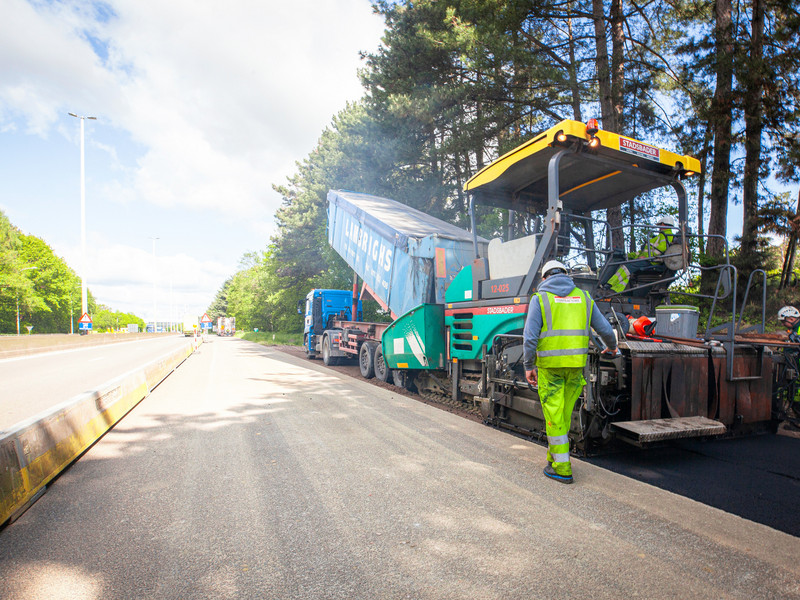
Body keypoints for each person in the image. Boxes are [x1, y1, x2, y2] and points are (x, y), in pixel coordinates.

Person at [523, 260, 619, 484]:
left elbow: (530, 338)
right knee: (563, 414)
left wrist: (529, 366)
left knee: (555, 415)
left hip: (550, 369)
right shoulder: (584, 298)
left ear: (544, 278)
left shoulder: (540, 299)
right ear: (566, 275)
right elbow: (604, 328)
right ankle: (553, 458)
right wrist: (612, 347)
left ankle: (563, 468)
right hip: (576, 367)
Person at [604, 215, 677, 293]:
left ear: (663, 224)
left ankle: (609, 284)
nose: (659, 228)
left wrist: (647, 257)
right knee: (627, 269)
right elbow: (642, 253)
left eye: (659, 225)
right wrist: (627, 255)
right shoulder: (660, 236)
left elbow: (661, 249)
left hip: (652, 261)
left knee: (626, 267)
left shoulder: (665, 235)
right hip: (649, 259)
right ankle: (615, 290)